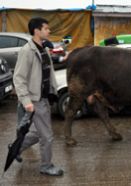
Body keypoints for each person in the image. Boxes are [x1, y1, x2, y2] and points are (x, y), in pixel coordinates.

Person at [13, 17, 64, 176]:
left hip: (43, 99)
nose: (49, 31)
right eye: (46, 29)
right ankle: (46, 166)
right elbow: (18, 78)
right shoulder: (27, 51)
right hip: (34, 100)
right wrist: (26, 101)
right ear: (37, 30)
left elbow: (47, 70)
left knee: (38, 133)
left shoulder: (43, 48)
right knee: (47, 136)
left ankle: (15, 148)